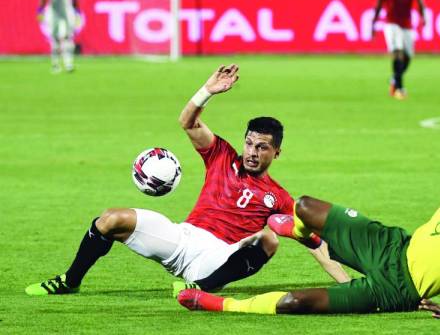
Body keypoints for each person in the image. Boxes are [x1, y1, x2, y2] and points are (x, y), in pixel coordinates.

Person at [178, 71, 440, 317]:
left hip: (398, 289)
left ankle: (215, 302)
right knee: (306, 206)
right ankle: (295, 227)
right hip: (393, 245)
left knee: (296, 303)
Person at [25, 64, 349, 297]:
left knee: (269, 240)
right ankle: (71, 280)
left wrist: (350, 287)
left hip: (216, 259)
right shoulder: (221, 155)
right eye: (249, 142)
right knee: (110, 219)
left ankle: (201, 290)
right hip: (182, 239)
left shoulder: (278, 197)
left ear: (276, 153)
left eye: (261, 147)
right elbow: (188, 122)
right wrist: (207, 91)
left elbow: (316, 245)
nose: (252, 151)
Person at [371, 0, 426, 101]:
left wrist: (423, 16)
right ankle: (400, 89)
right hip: (391, 23)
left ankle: (394, 79)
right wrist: (373, 22)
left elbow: (419, 1)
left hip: (407, 24)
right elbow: (379, 2)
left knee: (408, 57)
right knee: (398, 53)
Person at [36, 0, 79, 74]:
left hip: (67, 11)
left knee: (68, 38)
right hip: (53, 11)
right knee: (54, 39)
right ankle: (55, 65)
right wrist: (39, 11)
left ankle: (69, 64)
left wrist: (77, 11)